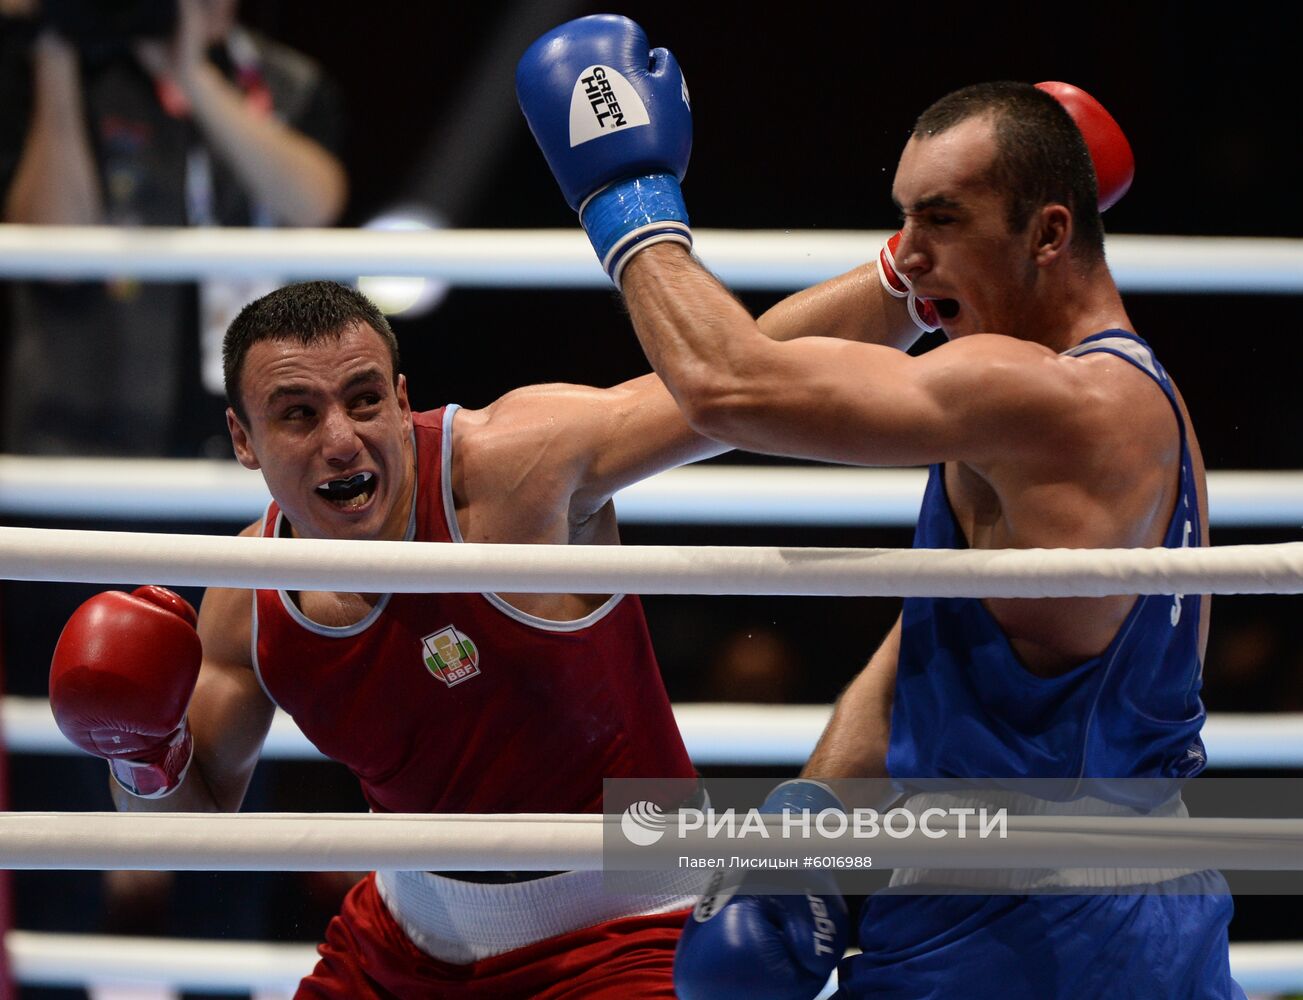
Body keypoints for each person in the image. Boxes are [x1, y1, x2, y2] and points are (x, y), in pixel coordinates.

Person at [518, 15, 1243, 999]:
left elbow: (732, 390)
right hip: (1127, 912)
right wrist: (805, 819)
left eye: (939, 222)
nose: (907, 254)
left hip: (1026, 939)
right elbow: (926, 649)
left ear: (1050, 234)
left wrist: (623, 198)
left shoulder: (1045, 396)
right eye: (905, 220)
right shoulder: (1121, 396)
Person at [47, 277, 867, 997]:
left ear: (403, 401)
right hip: (406, 943)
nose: (341, 439)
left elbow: (740, 375)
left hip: (624, 923)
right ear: (242, 440)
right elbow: (189, 831)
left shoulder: (514, 470)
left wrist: (902, 279)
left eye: (364, 399)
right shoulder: (244, 598)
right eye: (297, 415)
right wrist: (143, 752)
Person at [0, 0, 347, 457]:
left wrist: (192, 77)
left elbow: (315, 204)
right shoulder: (66, 71)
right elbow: (53, 250)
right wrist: (56, 50)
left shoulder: (288, 81)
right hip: (81, 439)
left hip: (248, 447)